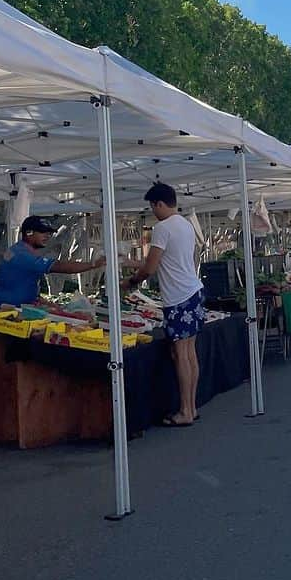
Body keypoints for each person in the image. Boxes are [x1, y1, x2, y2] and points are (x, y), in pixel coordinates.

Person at [123, 183, 205, 427]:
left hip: (178, 297)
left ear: (159, 204)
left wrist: (130, 282)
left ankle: (184, 411)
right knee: (189, 352)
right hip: (194, 291)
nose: (152, 212)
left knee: (181, 354)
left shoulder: (162, 228)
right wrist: (133, 264)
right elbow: (166, 260)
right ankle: (191, 407)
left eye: (152, 207)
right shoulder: (186, 225)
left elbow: (151, 267)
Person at [0, 216, 105, 308]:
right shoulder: (22, 256)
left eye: (49, 233)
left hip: (14, 307)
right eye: (42, 232)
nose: (47, 236)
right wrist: (93, 264)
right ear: (29, 233)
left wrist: (49, 304)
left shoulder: (19, 250)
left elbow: (22, 284)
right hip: (5, 312)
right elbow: (60, 267)